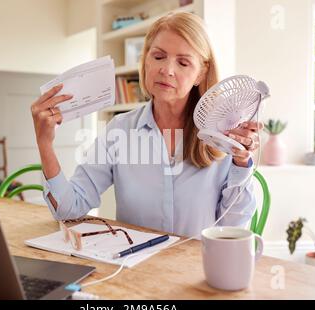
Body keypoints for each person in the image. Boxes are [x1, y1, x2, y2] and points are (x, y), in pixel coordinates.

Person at [31, 12, 263, 237]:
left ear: (201, 73)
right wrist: (45, 143)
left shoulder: (221, 135)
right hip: (137, 270)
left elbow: (233, 226)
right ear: (145, 60)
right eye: (158, 56)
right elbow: (69, 209)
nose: (166, 70)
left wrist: (241, 162)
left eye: (183, 62)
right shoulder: (119, 130)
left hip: (198, 268)